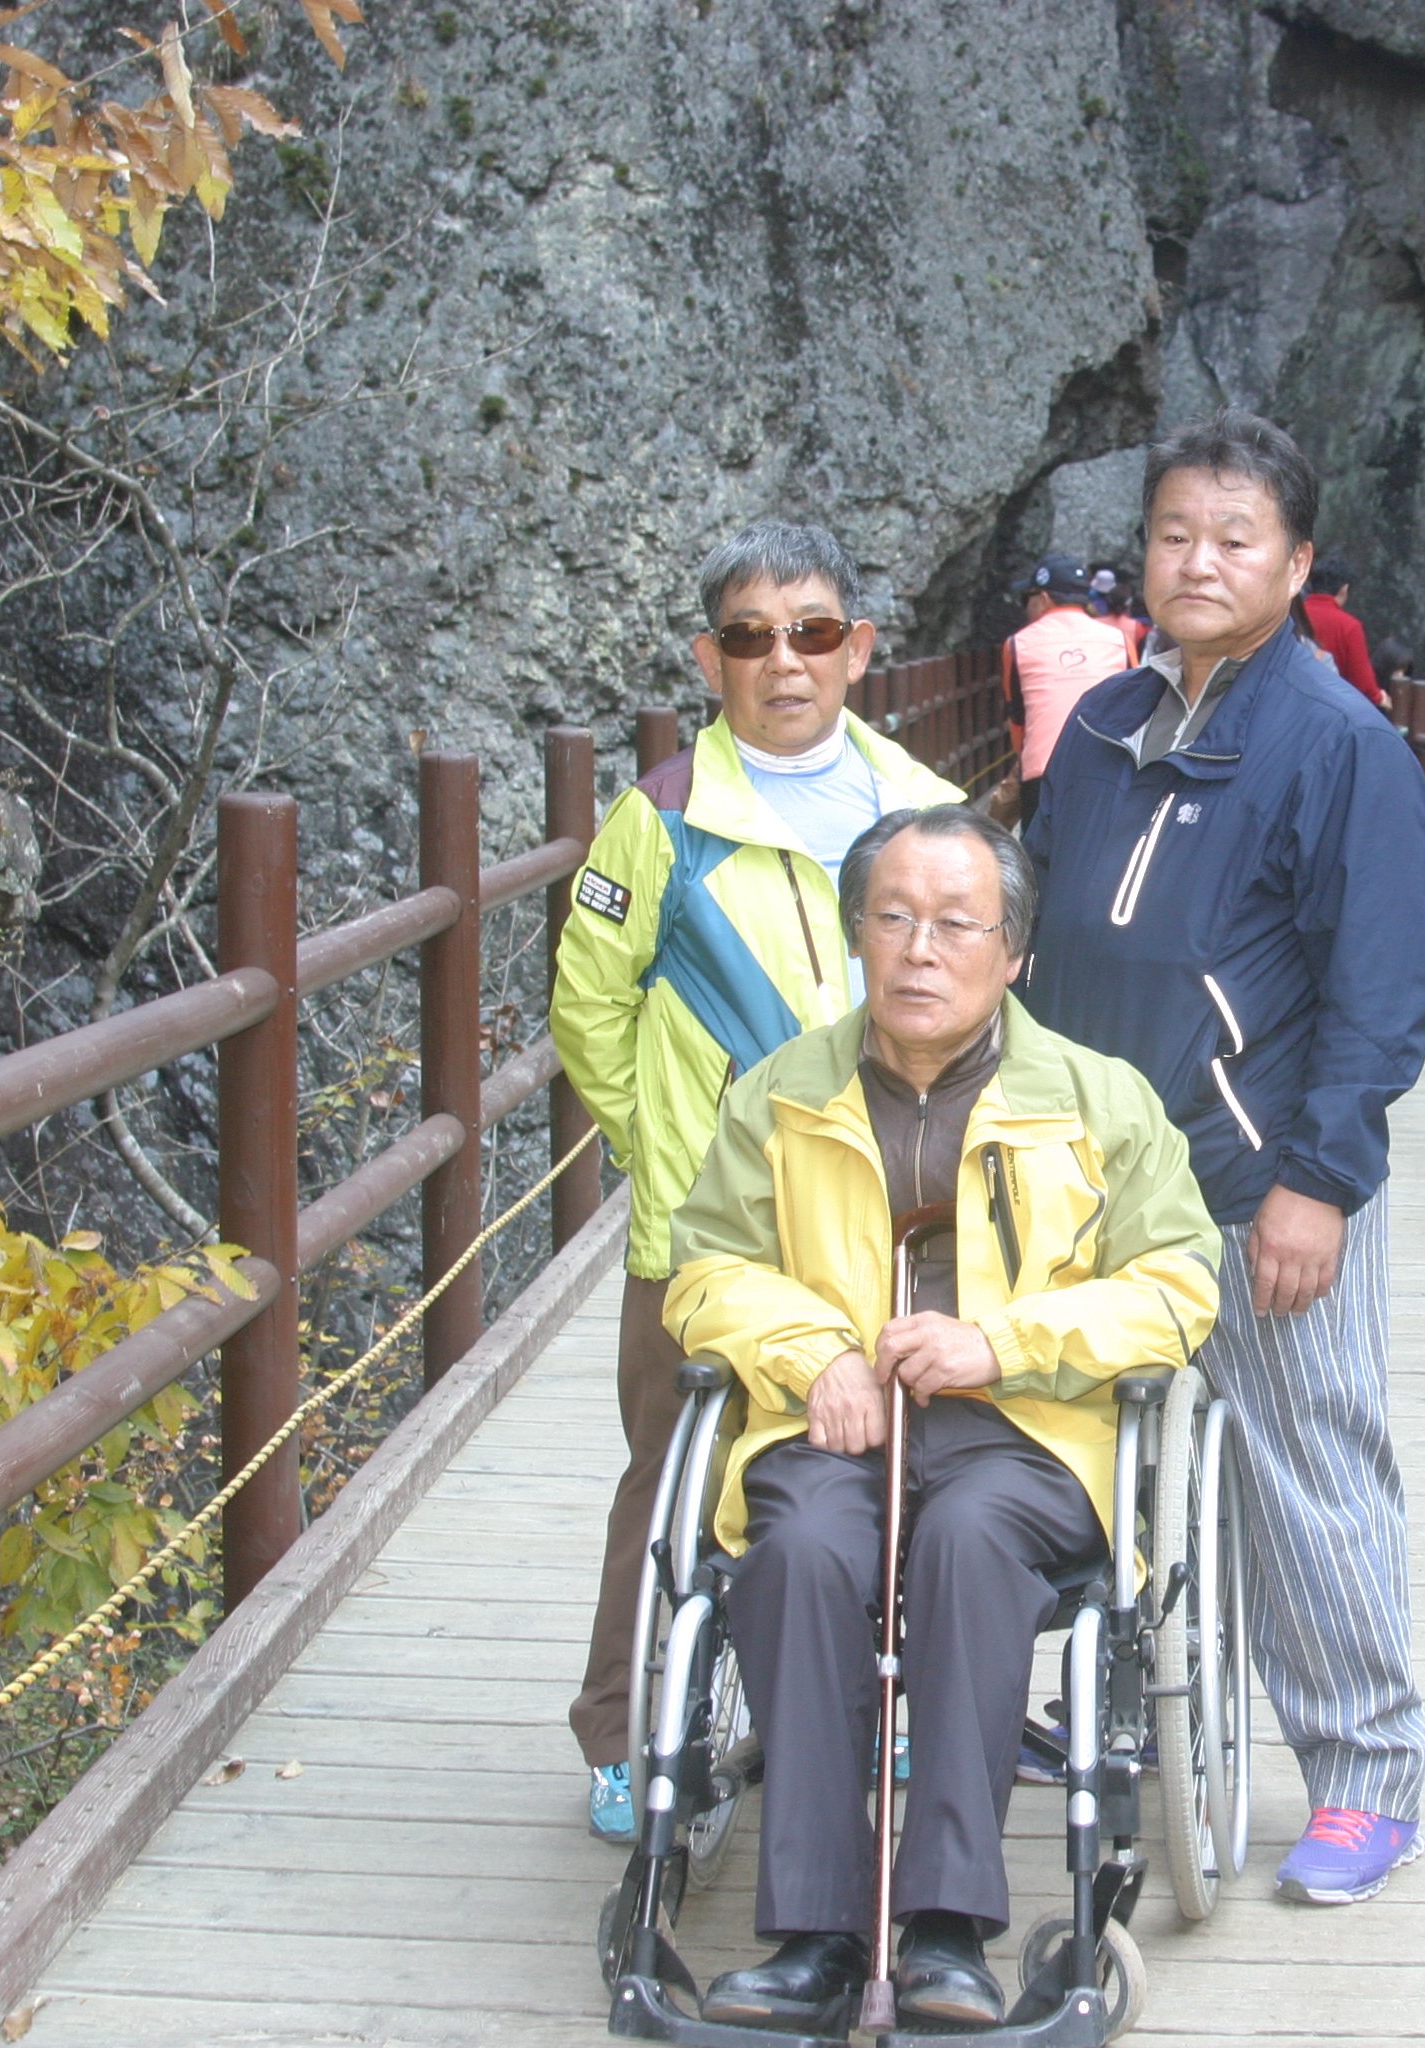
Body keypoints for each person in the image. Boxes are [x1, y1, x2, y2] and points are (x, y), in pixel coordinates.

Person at [663, 805, 1222, 2030]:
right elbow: (704, 1267)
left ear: (1013, 952)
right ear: (857, 934)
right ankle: (815, 1930)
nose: (921, 948)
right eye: (894, 917)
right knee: (801, 1547)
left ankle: (947, 1928)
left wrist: (1002, 1342)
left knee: (969, 1542)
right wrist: (815, 1353)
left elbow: (1180, 1286)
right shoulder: (780, 1093)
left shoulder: (1101, 1099)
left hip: (1029, 1429)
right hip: (836, 1421)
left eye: (957, 924)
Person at [1020, 410, 1425, 1907]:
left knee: (1308, 1465)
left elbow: (1381, 994)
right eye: (1174, 534)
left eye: (1235, 538)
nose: (1198, 561)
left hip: (1256, 1177)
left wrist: (1317, 1183)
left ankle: (1366, 1778)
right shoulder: (1102, 726)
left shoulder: (1341, 746)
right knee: (1098, 1446)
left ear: (1298, 561)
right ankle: (1124, 1710)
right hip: (1088, 1175)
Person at [552, 521, 962, 1845]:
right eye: (750, 637)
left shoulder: (921, 805)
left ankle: (879, 1699)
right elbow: (587, 1009)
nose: (784, 661)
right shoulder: (661, 817)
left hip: (888, 1209)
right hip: (708, 1226)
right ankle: (623, 1731)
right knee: (668, 1468)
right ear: (708, 658)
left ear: (860, 649)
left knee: (900, 1459)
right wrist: (667, 1146)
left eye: (812, 632)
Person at [1000, 552, 1143, 786]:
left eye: (1027, 598)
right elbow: (1135, 710)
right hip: (1107, 772)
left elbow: (1018, 718)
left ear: (1043, 598)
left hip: (1044, 772)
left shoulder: (1018, 644)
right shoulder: (1120, 641)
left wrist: (1027, 762)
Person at [1302, 552, 1384, 705]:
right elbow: (1362, 685)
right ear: (1344, 589)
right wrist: (1380, 698)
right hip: (1329, 707)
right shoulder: (1349, 626)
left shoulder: (1291, 615)